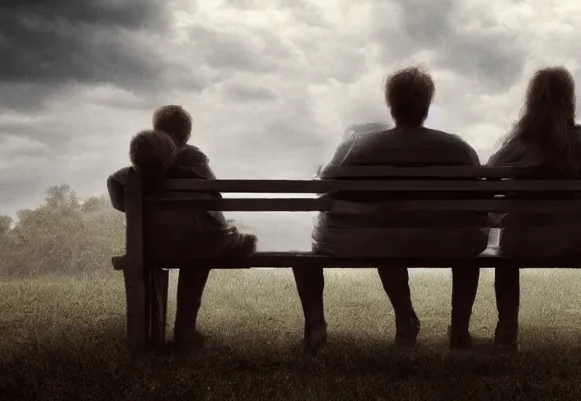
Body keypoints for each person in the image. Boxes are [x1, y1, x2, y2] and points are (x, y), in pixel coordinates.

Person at [294, 66, 489, 356]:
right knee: (456, 243)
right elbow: (480, 199)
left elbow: (326, 191)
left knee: (385, 233)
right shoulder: (456, 148)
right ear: (427, 104)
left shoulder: (358, 145)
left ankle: (324, 327)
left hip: (370, 239)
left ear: (391, 104)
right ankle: (459, 332)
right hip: (446, 242)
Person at [487, 67, 581, 352]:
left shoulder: (519, 143)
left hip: (523, 243)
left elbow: (487, 175)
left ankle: (507, 331)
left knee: (506, 256)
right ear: (570, 99)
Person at [107, 129, 257, 354]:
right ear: (171, 157)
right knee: (210, 248)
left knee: (199, 248)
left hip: (152, 250)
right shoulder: (197, 172)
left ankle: (159, 334)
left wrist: (131, 206)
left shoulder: (128, 177)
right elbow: (215, 208)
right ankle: (185, 331)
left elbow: (116, 191)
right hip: (198, 247)